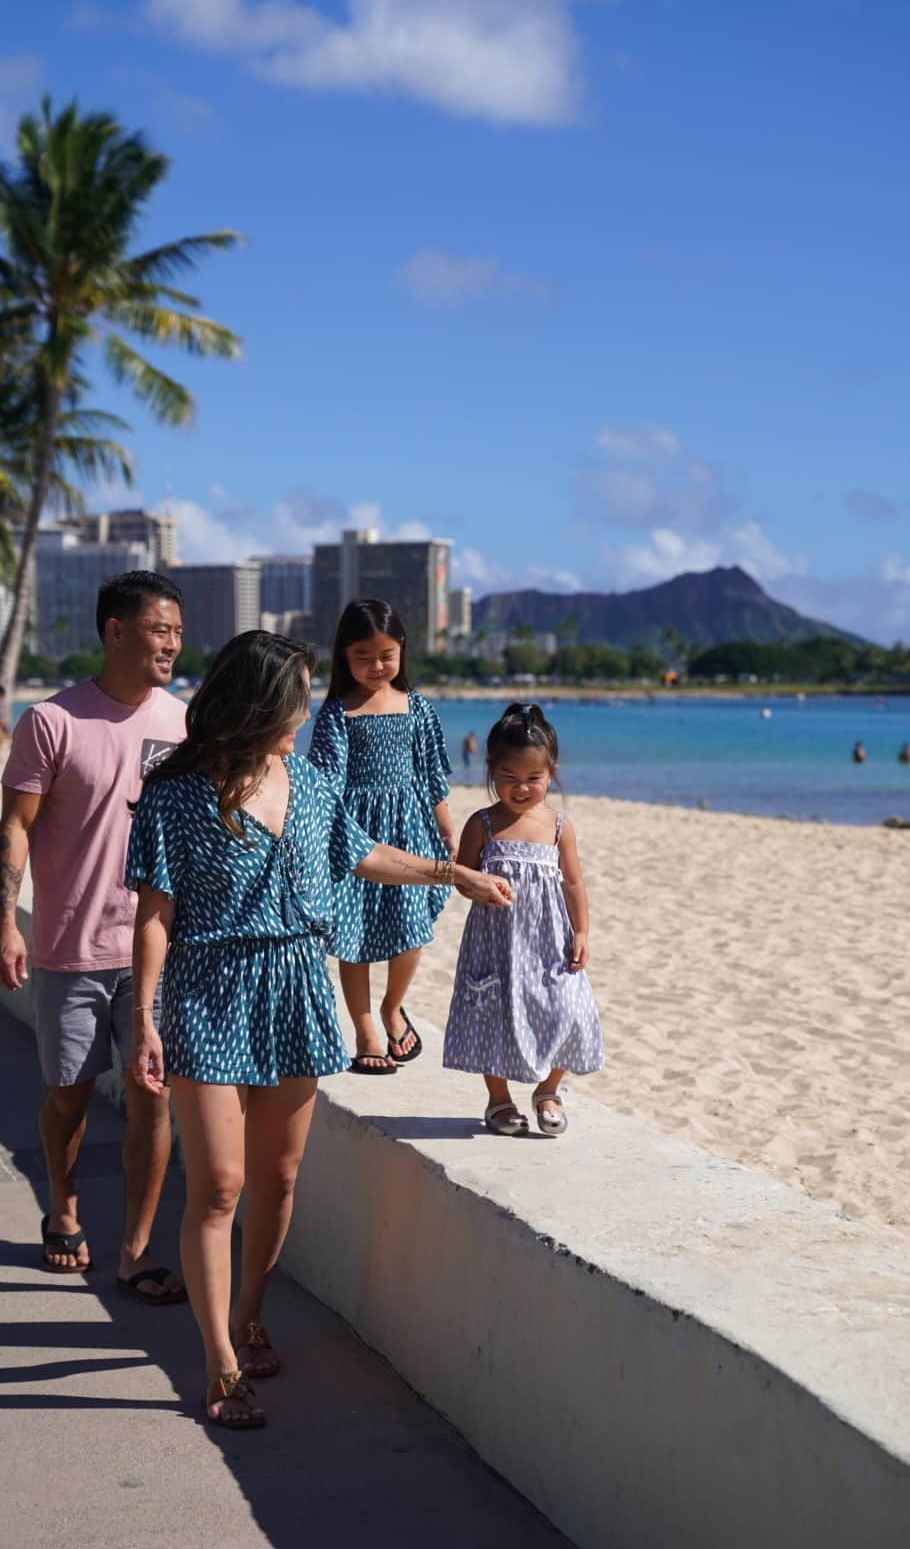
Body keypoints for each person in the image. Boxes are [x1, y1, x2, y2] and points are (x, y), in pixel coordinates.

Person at [126, 630, 511, 1429]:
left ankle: (251, 1311)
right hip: (209, 988)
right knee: (221, 1185)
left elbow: (360, 852)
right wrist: (145, 1018)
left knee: (280, 1177)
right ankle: (221, 1366)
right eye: (297, 697)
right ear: (261, 703)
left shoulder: (305, 780)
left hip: (297, 985)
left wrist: (451, 870)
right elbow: (155, 917)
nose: (307, 710)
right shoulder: (175, 796)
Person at [0, 571, 187, 1295]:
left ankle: (137, 1250)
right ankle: (64, 1205)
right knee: (69, 1098)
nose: (173, 642)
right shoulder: (51, 722)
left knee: (153, 1098)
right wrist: (5, 925)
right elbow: (13, 828)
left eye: (177, 630)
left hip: (156, 952)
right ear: (116, 631)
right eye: (160, 629)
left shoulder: (182, 724)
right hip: (69, 948)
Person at [308, 599, 455, 1074]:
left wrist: (447, 830)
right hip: (354, 834)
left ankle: (393, 1006)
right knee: (354, 933)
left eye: (386, 655)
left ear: (402, 651)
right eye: (363, 656)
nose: (376, 666)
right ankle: (366, 1026)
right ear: (344, 655)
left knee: (410, 924)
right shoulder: (337, 712)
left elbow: (432, 776)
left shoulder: (418, 709)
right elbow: (327, 781)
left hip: (411, 830)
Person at [443, 703, 603, 1137]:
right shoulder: (484, 823)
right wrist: (480, 886)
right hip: (497, 941)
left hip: (551, 940)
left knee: (572, 1009)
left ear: (551, 772)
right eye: (509, 779)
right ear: (491, 770)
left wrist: (582, 931)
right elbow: (463, 876)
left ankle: (548, 1090)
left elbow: (573, 882)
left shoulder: (557, 826)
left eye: (533, 779)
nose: (521, 789)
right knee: (490, 1014)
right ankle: (498, 1099)